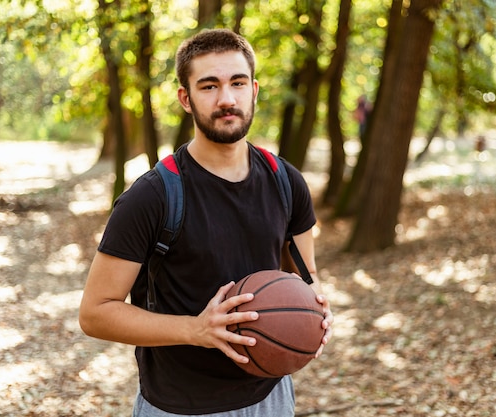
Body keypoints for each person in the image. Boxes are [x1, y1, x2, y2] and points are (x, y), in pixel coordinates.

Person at [78, 28, 333, 417]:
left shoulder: (286, 181)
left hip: (272, 397)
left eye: (237, 83)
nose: (227, 99)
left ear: (255, 90)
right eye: (209, 86)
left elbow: (305, 275)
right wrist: (195, 330)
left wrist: (315, 311)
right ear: (186, 98)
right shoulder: (153, 196)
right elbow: (95, 313)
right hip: (180, 406)